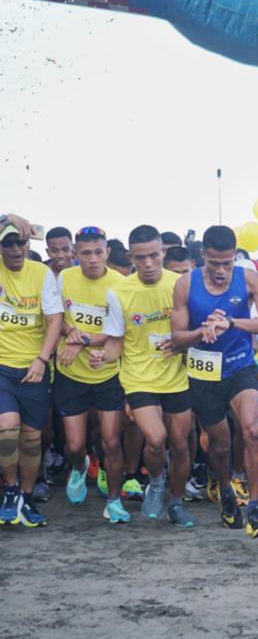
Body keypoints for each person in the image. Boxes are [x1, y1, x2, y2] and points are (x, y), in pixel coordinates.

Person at [171, 226, 258, 538]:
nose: (221, 271)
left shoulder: (248, 278)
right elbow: (176, 338)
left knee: (253, 430)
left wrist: (231, 323)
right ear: (202, 255)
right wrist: (201, 332)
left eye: (228, 264)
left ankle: (256, 509)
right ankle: (225, 491)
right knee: (218, 443)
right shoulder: (184, 285)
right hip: (203, 373)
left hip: (239, 367)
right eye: (215, 263)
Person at [95, 225, 198, 527]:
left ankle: (176, 503)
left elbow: (195, 331)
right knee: (156, 439)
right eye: (141, 258)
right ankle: (155, 480)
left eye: (154, 255)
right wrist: (104, 355)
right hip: (138, 376)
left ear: (163, 252)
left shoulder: (182, 284)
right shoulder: (119, 292)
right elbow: (115, 341)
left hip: (177, 376)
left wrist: (184, 342)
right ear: (131, 257)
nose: (149, 264)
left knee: (180, 445)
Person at [53, 227, 130, 522]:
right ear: (75, 254)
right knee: (73, 445)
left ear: (107, 252)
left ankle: (113, 501)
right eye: (86, 253)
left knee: (111, 442)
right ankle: (80, 466)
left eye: (99, 252)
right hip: (70, 372)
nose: (93, 259)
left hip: (108, 372)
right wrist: (70, 331)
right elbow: (56, 319)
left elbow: (119, 334)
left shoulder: (120, 285)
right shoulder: (66, 278)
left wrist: (85, 342)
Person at [0, 223, 63, 527]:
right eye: (8, 243)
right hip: (2, 366)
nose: (14, 249)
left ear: (27, 245)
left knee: (32, 437)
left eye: (20, 242)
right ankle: (10, 489)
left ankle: (26, 494)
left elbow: (54, 321)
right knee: (7, 426)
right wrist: (6, 216)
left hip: (34, 368)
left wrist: (42, 359)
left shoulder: (41, 273)